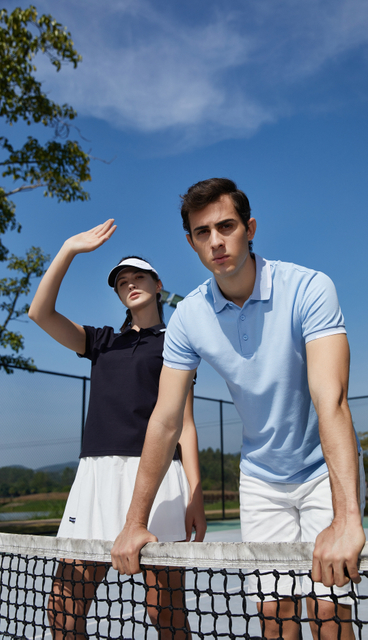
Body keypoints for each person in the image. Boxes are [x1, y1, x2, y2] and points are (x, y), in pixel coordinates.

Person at [111, 179, 366, 640]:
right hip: (261, 479)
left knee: (328, 615)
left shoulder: (309, 287)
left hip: (323, 473)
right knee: (275, 618)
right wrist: (134, 525)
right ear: (191, 242)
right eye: (202, 232)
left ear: (249, 229)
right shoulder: (189, 317)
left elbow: (331, 399)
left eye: (226, 226)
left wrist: (346, 518)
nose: (216, 241)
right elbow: (165, 421)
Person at [28, 219, 206, 640]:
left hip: (158, 481)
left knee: (165, 613)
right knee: (63, 609)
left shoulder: (176, 344)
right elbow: (40, 313)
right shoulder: (101, 341)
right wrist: (69, 249)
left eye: (138, 277)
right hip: (95, 479)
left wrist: (195, 493)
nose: (130, 285)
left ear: (158, 285)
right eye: (122, 282)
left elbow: (185, 424)